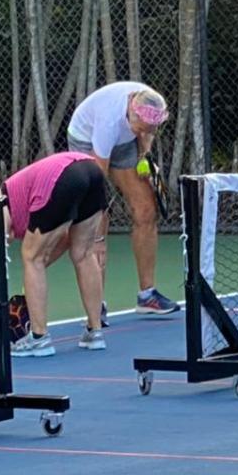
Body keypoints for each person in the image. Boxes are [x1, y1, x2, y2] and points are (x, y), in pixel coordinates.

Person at [67, 82, 179, 316]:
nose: (144, 132)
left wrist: (144, 157)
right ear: (130, 111)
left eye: (149, 129)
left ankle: (147, 296)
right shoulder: (108, 122)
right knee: (97, 220)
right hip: (87, 139)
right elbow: (97, 180)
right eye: (140, 127)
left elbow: (146, 133)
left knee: (146, 210)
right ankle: (96, 306)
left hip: (123, 142)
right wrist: (98, 212)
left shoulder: (150, 110)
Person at [2, 152, 109, 357]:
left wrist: (35, 268)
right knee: (83, 253)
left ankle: (40, 338)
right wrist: (36, 272)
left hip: (61, 176)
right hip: (92, 170)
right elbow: (65, 241)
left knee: (31, 257)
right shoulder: (20, 195)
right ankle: (95, 331)